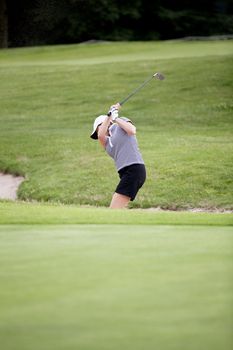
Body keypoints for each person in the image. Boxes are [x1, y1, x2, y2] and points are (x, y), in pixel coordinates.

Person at [90, 103, 146, 208]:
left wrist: (115, 118)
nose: (98, 133)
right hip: (126, 173)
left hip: (134, 169)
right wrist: (109, 115)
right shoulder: (106, 142)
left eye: (98, 128)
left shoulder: (121, 124)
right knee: (117, 208)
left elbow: (132, 130)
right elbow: (101, 135)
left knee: (114, 209)